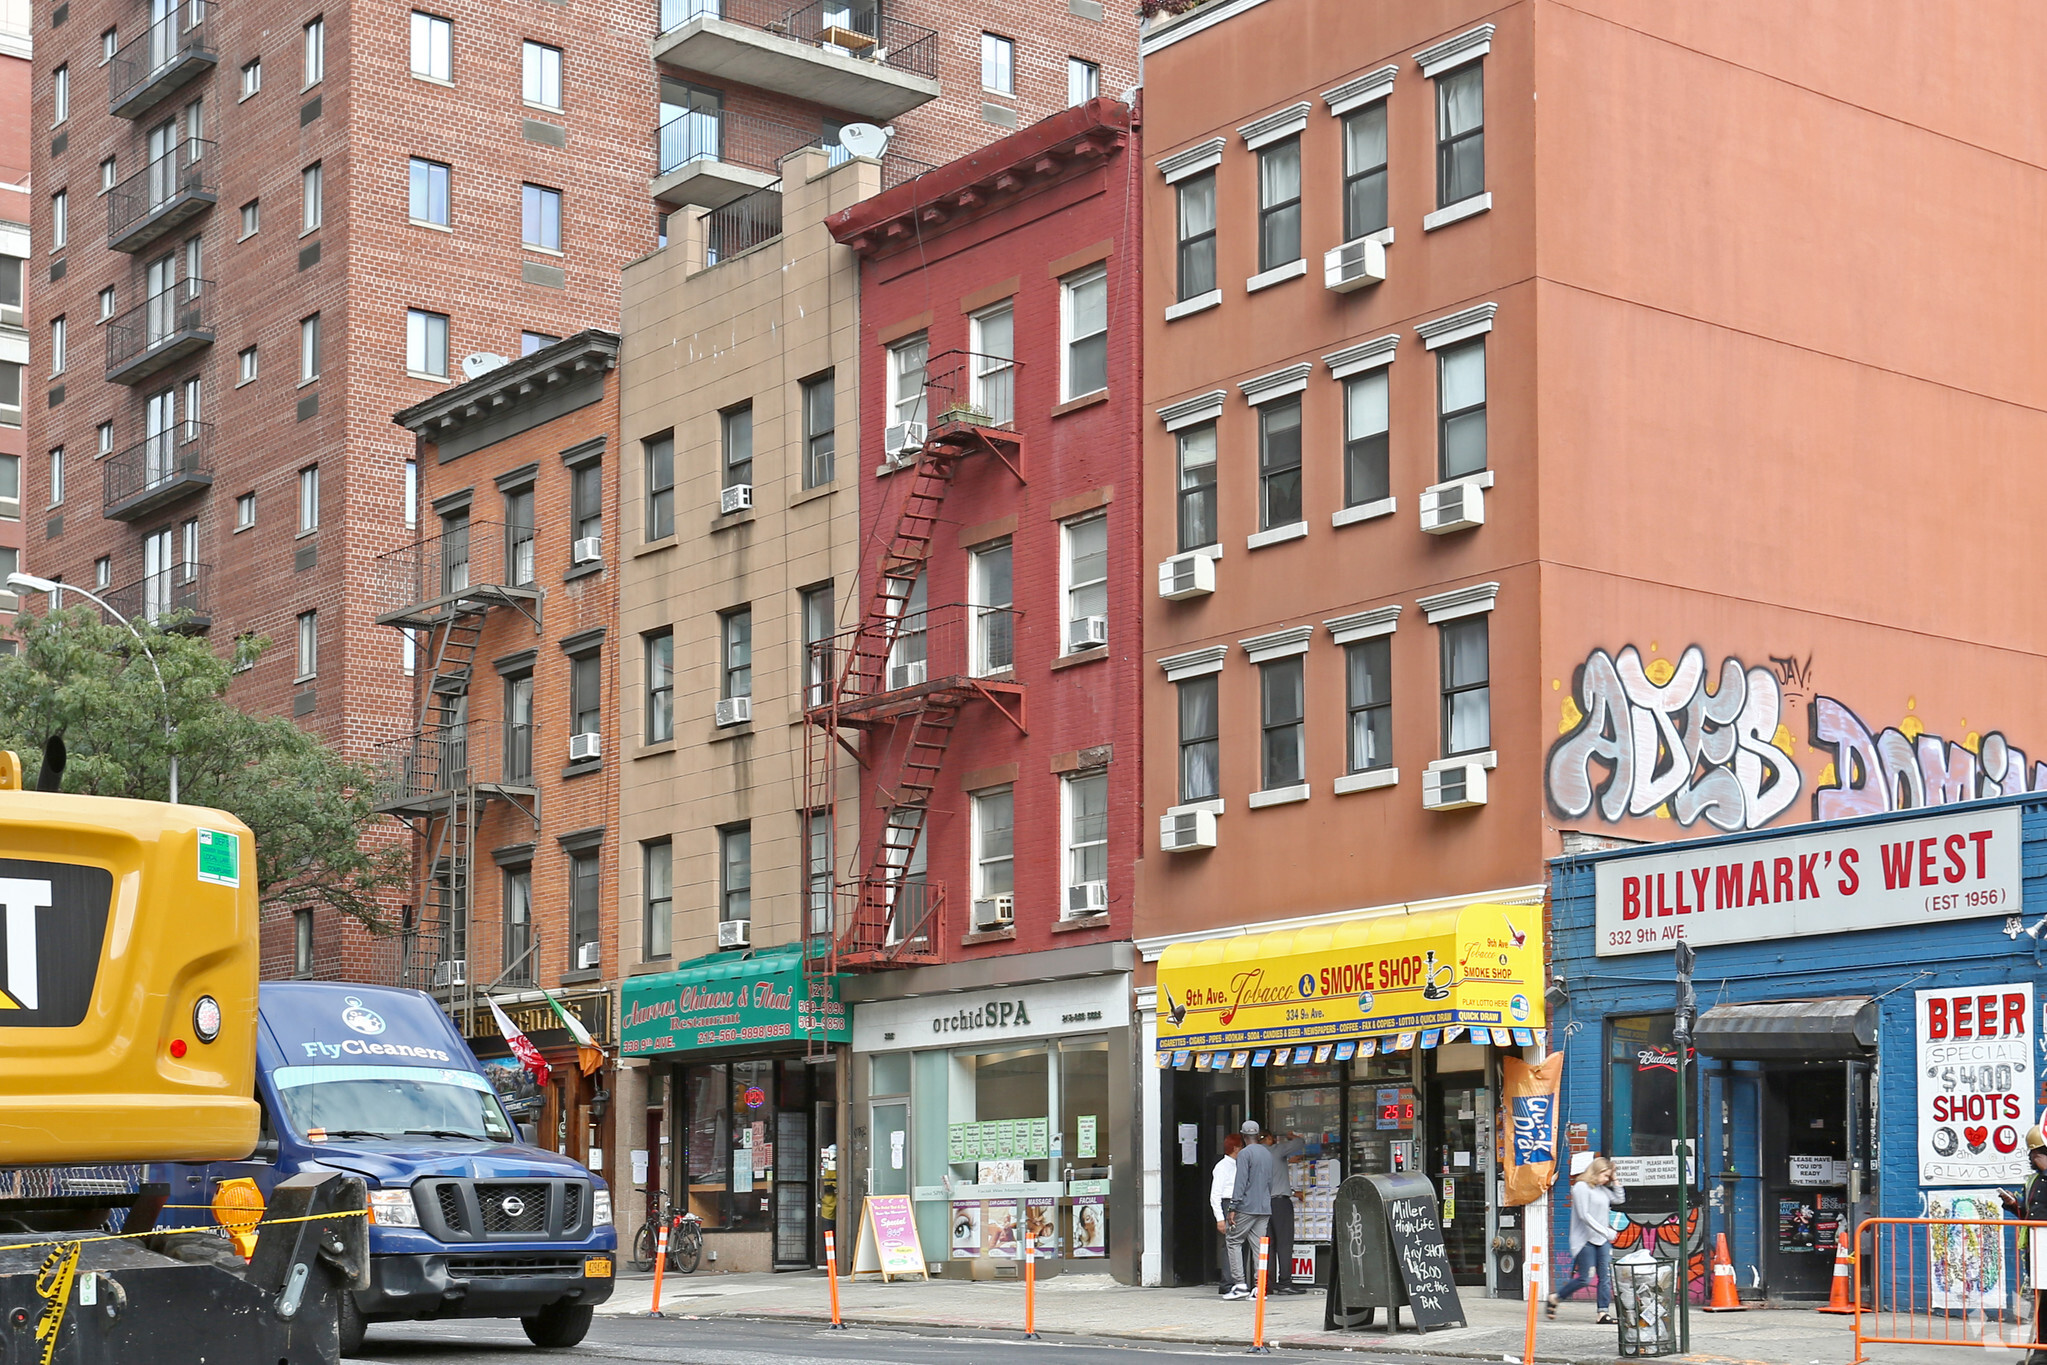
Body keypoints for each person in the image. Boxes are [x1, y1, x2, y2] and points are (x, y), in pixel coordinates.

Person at [1549, 1151, 1625, 1324]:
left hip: (1601, 1241)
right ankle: (1556, 1297)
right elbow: (1584, 1215)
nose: (1606, 1179)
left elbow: (1620, 1199)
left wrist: (1615, 1179)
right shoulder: (1581, 1187)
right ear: (1596, 1172)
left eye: (1608, 1176)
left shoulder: (1602, 1190)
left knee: (1605, 1276)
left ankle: (1602, 1313)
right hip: (1585, 1241)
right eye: (1605, 1175)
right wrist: (1606, 1231)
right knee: (1585, 1277)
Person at [1999, 1125, 2047, 1362]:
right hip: (2038, 1253)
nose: (2031, 1159)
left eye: (2035, 1154)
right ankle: (2041, 1350)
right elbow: (2028, 1212)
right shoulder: (2033, 1181)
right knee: (2042, 1303)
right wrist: (2012, 1203)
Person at [1225, 1120, 1277, 1301]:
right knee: (1259, 1247)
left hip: (1247, 1205)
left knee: (1233, 1240)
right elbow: (1270, 1181)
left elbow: (1241, 1182)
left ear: (1243, 1135)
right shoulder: (1267, 1153)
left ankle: (1239, 1284)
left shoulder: (1245, 1154)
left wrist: (1233, 1207)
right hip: (1264, 1206)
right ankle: (1259, 1287)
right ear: (1258, 1135)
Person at [1262, 1129, 1308, 1294]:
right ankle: (1285, 1282)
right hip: (1280, 1204)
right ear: (1267, 1138)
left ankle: (1267, 1283)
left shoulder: (1252, 1155)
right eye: (1272, 1138)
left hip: (1261, 1205)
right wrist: (1292, 1136)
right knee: (1284, 1244)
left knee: (1268, 1245)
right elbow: (1300, 1143)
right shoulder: (1277, 1150)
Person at [1210, 1133, 1244, 1295]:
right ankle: (1227, 1282)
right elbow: (1215, 1195)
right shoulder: (1222, 1167)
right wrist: (1220, 1219)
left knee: (1235, 1243)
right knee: (1229, 1244)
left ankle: (1236, 1280)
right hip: (1227, 1203)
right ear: (1236, 1148)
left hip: (1236, 1203)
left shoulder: (1238, 1165)